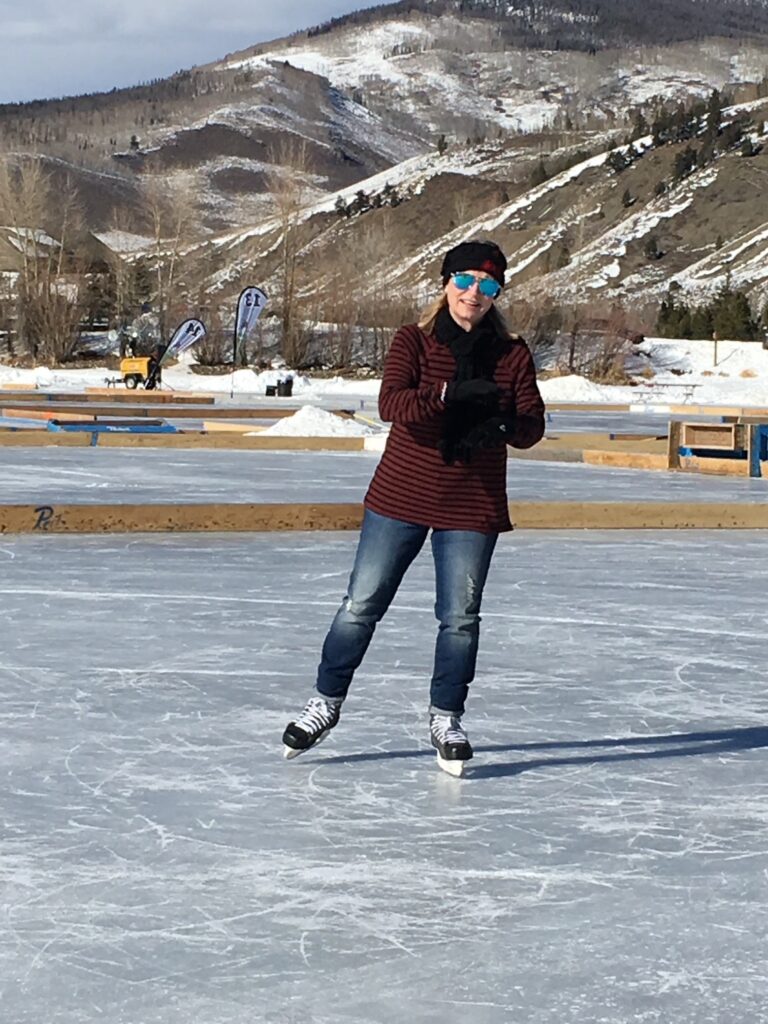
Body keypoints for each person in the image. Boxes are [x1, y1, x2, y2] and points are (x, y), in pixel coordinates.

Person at [282, 239, 546, 775]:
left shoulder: (512, 354)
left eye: (488, 285)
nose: (474, 293)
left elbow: (531, 425)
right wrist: (448, 396)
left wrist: (502, 424)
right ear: (446, 284)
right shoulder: (414, 340)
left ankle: (447, 717)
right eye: (465, 280)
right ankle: (325, 702)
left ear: (498, 294)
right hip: (400, 496)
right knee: (361, 604)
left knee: (460, 619)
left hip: (471, 504)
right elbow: (392, 404)